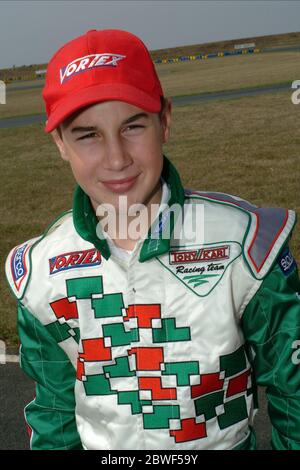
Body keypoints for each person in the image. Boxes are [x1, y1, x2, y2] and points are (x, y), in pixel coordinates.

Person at [5, 29, 300, 451]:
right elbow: (53, 415)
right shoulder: (39, 271)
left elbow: (294, 395)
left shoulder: (246, 244)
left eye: (133, 126)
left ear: (164, 120)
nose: (116, 157)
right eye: (88, 134)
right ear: (60, 143)